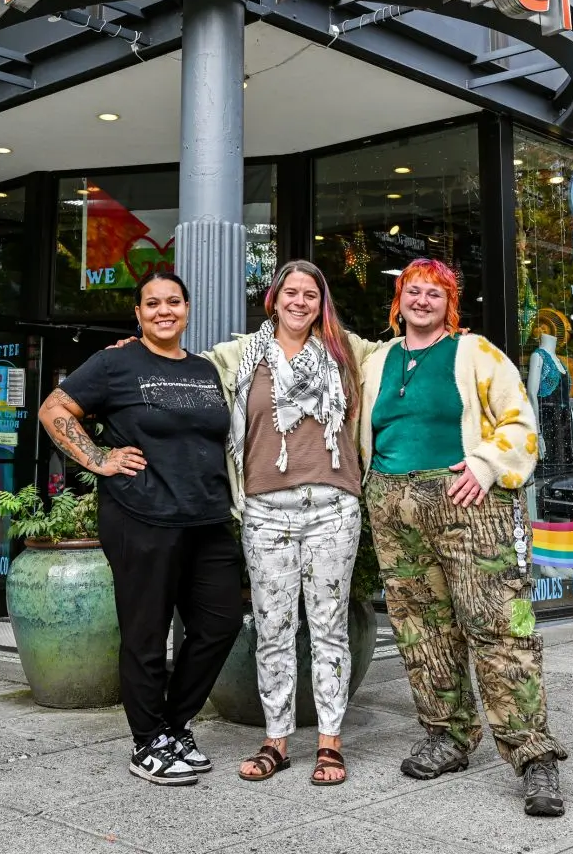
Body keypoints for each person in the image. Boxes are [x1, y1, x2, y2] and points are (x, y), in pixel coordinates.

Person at [357, 258, 568, 817]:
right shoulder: (377, 360)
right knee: (420, 628)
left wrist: (484, 464)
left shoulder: (477, 353)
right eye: (412, 292)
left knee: (499, 626)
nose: (420, 301)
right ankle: (448, 735)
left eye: (433, 293)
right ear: (398, 301)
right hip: (393, 502)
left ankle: (533, 753)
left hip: (467, 500)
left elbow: (520, 423)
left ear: (449, 305)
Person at [37, 270, 243, 786]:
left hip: (207, 519)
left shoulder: (205, 370)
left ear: (188, 308)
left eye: (173, 301)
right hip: (141, 518)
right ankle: (147, 742)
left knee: (220, 624)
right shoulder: (115, 362)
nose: (163, 311)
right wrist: (98, 457)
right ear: (138, 313)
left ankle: (173, 725)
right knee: (146, 634)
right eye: (152, 303)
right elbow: (54, 408)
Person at [204, 260, 372, 786]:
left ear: (322, 305)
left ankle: (329, 744)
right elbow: (184, 364)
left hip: (333, 509)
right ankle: (276, 740)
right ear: (273, 299)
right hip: (265, 511)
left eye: (311, 295)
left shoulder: (348, 352)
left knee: (328, 629)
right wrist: (132, 346)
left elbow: (406, 350)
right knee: (272, 630)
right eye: (291, 293)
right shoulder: (240, 356)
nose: (300, 302)